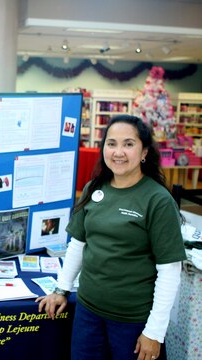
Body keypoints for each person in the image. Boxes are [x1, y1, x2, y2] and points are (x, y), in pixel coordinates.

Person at [36, 115, 186, 360]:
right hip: (87, 313)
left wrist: (154, 332)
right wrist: (61, 289)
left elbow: (169, 270)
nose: (118, 152)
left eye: (128, 144)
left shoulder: (158, 200)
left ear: (144, 152)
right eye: (111, 143)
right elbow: (78, 244)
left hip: (133, 322)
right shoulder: (94, 187)